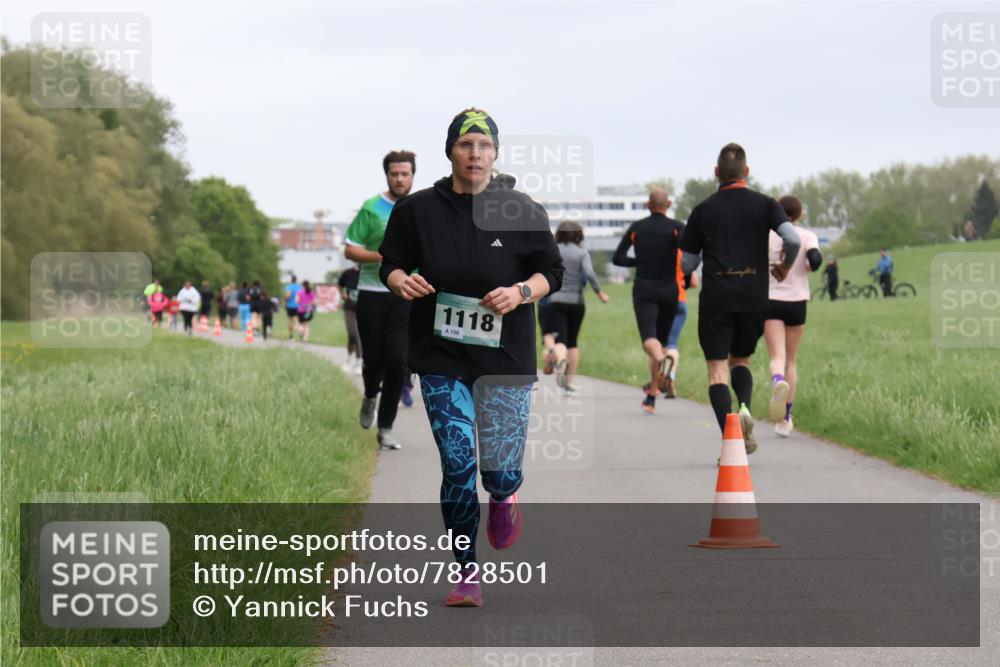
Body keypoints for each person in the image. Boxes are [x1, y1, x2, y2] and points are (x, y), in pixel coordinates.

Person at [379, 108, 563, 608]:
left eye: (484, 145)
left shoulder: (521, 208)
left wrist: (522, 291)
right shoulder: (417, 210)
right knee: (458, 461)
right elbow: (391, 264)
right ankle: (466, 573)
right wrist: (402, 281)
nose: (475, 154)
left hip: (505, 358)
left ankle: (505, 496)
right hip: (441, 355)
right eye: (466, 145)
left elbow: (553, 272)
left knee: (498, 470)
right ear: (450, 151)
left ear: (496, 153)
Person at [680, 143, 801, 454]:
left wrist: (691, 269)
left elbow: (687, 263)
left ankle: (732, 437)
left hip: (717, 295)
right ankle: (745, 406)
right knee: (741, 360)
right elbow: (792, 238)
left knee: (717, 369)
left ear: (716, 173)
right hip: (754, 294)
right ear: (746, 172)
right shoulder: (765, 204)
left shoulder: (702, 210)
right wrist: (785, 267)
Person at [344, 149, 416, 450]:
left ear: (413, 175)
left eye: (405, 173)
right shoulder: (372, 207)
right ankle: (370, 394)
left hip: (407, 295)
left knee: (399, 361)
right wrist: (383, 257)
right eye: (394, 174)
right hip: (373, 294)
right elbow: (351, 249)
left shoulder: (421, 207)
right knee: (373, 361)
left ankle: (385, 428)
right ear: (387, 175)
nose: (399, 179)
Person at [613, 189, 685, 415]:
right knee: (661, 342)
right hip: (670, 290)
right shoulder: (676, 227)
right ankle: (652, 395)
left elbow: (618, 257)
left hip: (645, 288)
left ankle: (663, 361)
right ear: (669, 204)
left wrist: (639, 261)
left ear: (647, 205)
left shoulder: (638, 228)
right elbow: (689, 253)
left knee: (649, 341)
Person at [764, 195, 822, 438]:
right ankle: (786, 417)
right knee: (792, 360)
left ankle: (778, 381)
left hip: (771, 300)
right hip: (797, 302)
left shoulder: (766, 235)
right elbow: (815, 260)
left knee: (777, 356)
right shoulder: (807, 236)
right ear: (799, 214)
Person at [540, 220, 608, 392]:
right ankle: (568, 382)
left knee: (559, 339)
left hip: (555, 300)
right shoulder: (582, 253)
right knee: (573, 342)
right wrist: (599, 292)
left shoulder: (553, 250)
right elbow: (590, 273)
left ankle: (560, 359)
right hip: (577, 303)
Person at [662, 252, 699, 398]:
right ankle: (671, 375)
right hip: (680, 301)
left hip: (663, 299)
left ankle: (656, 381)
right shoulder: (684, 254)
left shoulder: (659, 251)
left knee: (658, 342)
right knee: (672, 343)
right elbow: (695, 282)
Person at [338, 265, 363, 375]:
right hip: (349, 307)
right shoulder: (347, 273)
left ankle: (359, 362)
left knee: (360, 335)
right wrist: (342, 293)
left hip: (364, 307)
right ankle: (349, 359)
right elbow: (339, 285)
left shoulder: (368, 272)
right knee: (352, 334)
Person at [284, 275, 302, 340]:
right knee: (297, 320)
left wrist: (285, 299)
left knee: (290, 321)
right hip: (298, 306)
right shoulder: (300, 287)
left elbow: (288, 294)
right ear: (296, 280)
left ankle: (291, 336)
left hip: (290, 306)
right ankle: (300, 330)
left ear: (291, 280)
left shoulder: (289, 286)